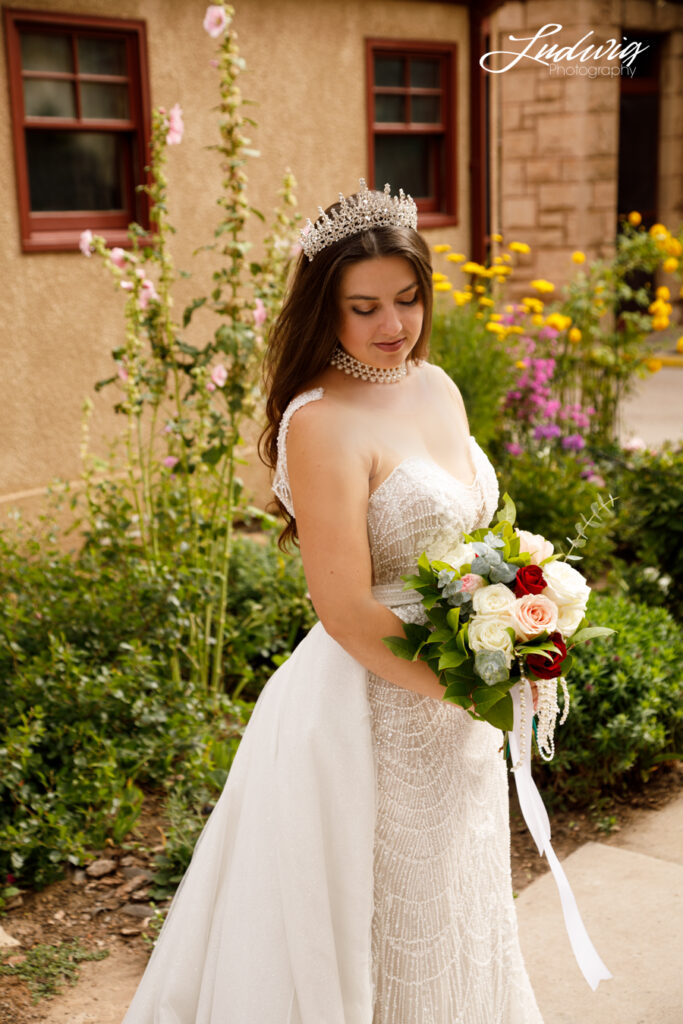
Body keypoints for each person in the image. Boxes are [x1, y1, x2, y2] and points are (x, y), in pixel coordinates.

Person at [121, 181, 543, 1023]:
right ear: (326, 309)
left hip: (457, 705)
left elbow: (467, 537)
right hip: (369, 717)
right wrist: (479, 685)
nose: (393, 326)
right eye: (363, 308)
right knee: (379, 919)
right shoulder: (317, 422)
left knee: (458, 906)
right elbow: (345, 610)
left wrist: (518, 618)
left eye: (406, 299)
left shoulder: (438, 386)